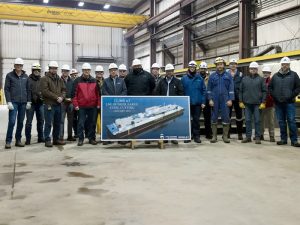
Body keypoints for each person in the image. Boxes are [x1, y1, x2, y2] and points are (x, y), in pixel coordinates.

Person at [270, 57, 300, 147]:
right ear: (281, 65)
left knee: (291, 121)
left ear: (289, 65)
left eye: (286, 64)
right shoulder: (275, 76)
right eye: (283, 64)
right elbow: (270, 88)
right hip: (278, 103)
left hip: (289, 102)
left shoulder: (294, 75)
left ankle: (294, 140)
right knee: (281, 121)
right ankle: (283, 139)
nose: (285, 66)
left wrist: (291, 96)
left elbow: (298, 87)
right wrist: (275, 97)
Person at [4, 58, 31, 149]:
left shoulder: (26, 76)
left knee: (20, 122)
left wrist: (28, 101)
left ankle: (18, 140)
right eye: (17, 65)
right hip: (14, 102)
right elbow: (6, 89)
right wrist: (8, 101)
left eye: (20, 65)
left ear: (22, 66)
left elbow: (28, 90)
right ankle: (8, 141)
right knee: (12, 122)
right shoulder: (9, 75)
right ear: (14, 66)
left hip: (23, 103)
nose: (19, 67)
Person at [155, 63, 184, 145]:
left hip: (173, 105)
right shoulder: (161, 82)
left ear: (173, 72)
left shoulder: (178, 82)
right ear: (165, 72)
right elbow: (157, 93)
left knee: (174, 122)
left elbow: (181, 93)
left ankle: (173, 137)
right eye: (167, 71)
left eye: (170, 71)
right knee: (164, 122)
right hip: (164, 105)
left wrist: (178, 102)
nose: (169, 73)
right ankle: (164, 137)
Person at [207, 57, 234, 143]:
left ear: (223, 65)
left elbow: (231, 88)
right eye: (218, 64)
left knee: (226, 116)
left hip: (225, 99)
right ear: (216, 65)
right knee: (214, 117)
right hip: (214, 99)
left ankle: (225, 136)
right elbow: (209, 89)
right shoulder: (212, 76)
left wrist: (230, 99)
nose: (219, 66)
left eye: (221, 64)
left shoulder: (228, 75)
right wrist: (210, 99)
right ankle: (214, 136)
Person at [72, 63, 100, 146]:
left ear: (90, 71)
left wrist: (98, 104)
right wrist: (76, 104)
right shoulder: (77, 81)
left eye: (88, 70)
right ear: (82, 71)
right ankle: (81, 139)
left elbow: (98, 94)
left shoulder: (94, 81)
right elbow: (74, 94)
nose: (86, 71)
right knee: (80, 123)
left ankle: (92, 138)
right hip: (81, 106)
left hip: (93, 106)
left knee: (92, 123)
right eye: (85, 70)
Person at [239, 62, 267, 144]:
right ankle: (248, 137)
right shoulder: (244, 79)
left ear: (257, 69)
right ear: (249, 69)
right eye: (251, 69)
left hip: (257, 104)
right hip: (247, 104)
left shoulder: (261, 79)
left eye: (254, 69)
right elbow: (240, 91)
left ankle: (257, 137)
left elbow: (265, 91)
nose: (253, 70)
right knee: (247, 120)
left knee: (257, 120)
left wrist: (263, 102)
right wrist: (240, 101)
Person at [41, 61, 66, 147]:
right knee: (48, 123)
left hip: (58, 105)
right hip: (49, 104)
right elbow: (45, 91)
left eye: (55, 68)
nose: (54, 70)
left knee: (57, 123)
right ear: (49, 69)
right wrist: (57, 98)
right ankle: (47, 140)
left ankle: (56, 139)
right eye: (52, 68)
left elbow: (64, 90)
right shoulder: (44, 79)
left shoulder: (59, 79)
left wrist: (62, 97)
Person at [182, 60, 206, 143]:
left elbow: (204, 90)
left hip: (197, 103)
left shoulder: (200, 78)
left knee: (196, 120)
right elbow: (181, 91)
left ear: (196, 68)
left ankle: (196, 136)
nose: (192, 68)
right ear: (188, 67)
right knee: (187, 120)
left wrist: (203, 102)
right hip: (187, 103)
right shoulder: (184, 78)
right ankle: (188, 136)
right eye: (190, 67)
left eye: (193, 67)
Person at [25, 63, 44, 145]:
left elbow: (44, 90)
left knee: (41, 121)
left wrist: (42, 97)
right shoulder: (28, 79)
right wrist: (28, 101)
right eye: (35, 70)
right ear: (32, 71)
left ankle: (40, 138)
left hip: (40, 103)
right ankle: (28, 139)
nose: (37, 71)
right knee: (29, 122)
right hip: (31, 103)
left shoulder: (42, 79)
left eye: (38, 70)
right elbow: (27, 91)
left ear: (40, 71)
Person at [228, 58, 244, 140]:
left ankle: (240, 134)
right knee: (228, 116)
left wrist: (242, 99)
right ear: (229, 65)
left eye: (234, 64)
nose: (233, 65)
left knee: (239, 116)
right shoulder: (226, 74)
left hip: (238, 98)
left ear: (236, 65)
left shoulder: (241, 74)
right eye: (231, 64)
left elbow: (243, 87)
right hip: (229, 98)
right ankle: (227, 133)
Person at [59, 64, 76, 142]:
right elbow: (57, 91)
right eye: (64, 71)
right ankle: (61, 137)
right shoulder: (58, 80)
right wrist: (63, 98)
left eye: (67, 71)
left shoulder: (72, 81)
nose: (65, 72)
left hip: (70, 103)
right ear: (62, 71)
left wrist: (72, 99)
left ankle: (69, 136)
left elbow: (74, 92)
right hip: (62, 103)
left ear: (69, 72)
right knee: (61, 120)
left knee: (70, 120)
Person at [260, 66, 275, 142]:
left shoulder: (273, 81)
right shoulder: (260, 81)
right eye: (264, 72)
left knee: (271, 122)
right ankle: (261, 135)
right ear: (263, 73)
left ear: (270, 73)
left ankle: (272, 136)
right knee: (261, 121)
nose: (266, 74)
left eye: (267, 73)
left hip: (270, 105)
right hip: (261, 105)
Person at [199, 62, 212, 139]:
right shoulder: (197, 77)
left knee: (207, 118)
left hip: (207, 100)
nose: (202, 70)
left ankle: (208, 134)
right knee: (196, 118)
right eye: (201, 68)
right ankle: (195, 134)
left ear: (206, 69)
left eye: (204, 68)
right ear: (199, 69)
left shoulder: (209, 78)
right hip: (199, 99)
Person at [70, 68, 79, 137]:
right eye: (73, 75)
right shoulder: (69, 82)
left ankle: (80, 132)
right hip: (70, 103)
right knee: (73, 119)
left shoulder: (80, 81)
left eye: (75, 74)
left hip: (79, 103)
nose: (74, 76)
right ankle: (76, 132)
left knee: (81, 119)